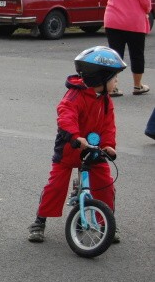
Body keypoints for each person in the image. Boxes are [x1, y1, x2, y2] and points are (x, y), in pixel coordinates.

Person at [28, 46, 126, 243]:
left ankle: (106, 222)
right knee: (56, 186)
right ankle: (40, 221)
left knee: (105, 185)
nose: (117, 82)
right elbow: (66, 116)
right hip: (69, 148)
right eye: (114, 77)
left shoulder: (106, 101)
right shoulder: (75, 95)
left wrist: (108, 145)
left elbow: (108, 126)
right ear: (101, 78)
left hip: (93, 150)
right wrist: (75, 137)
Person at [104, 0, 151, 97]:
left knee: (115, 54)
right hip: (133, 23)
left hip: (112, 21)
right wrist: (148, 9)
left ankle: (113, 86)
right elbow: (145, 2)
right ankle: (137, 86)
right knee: (136, 54)